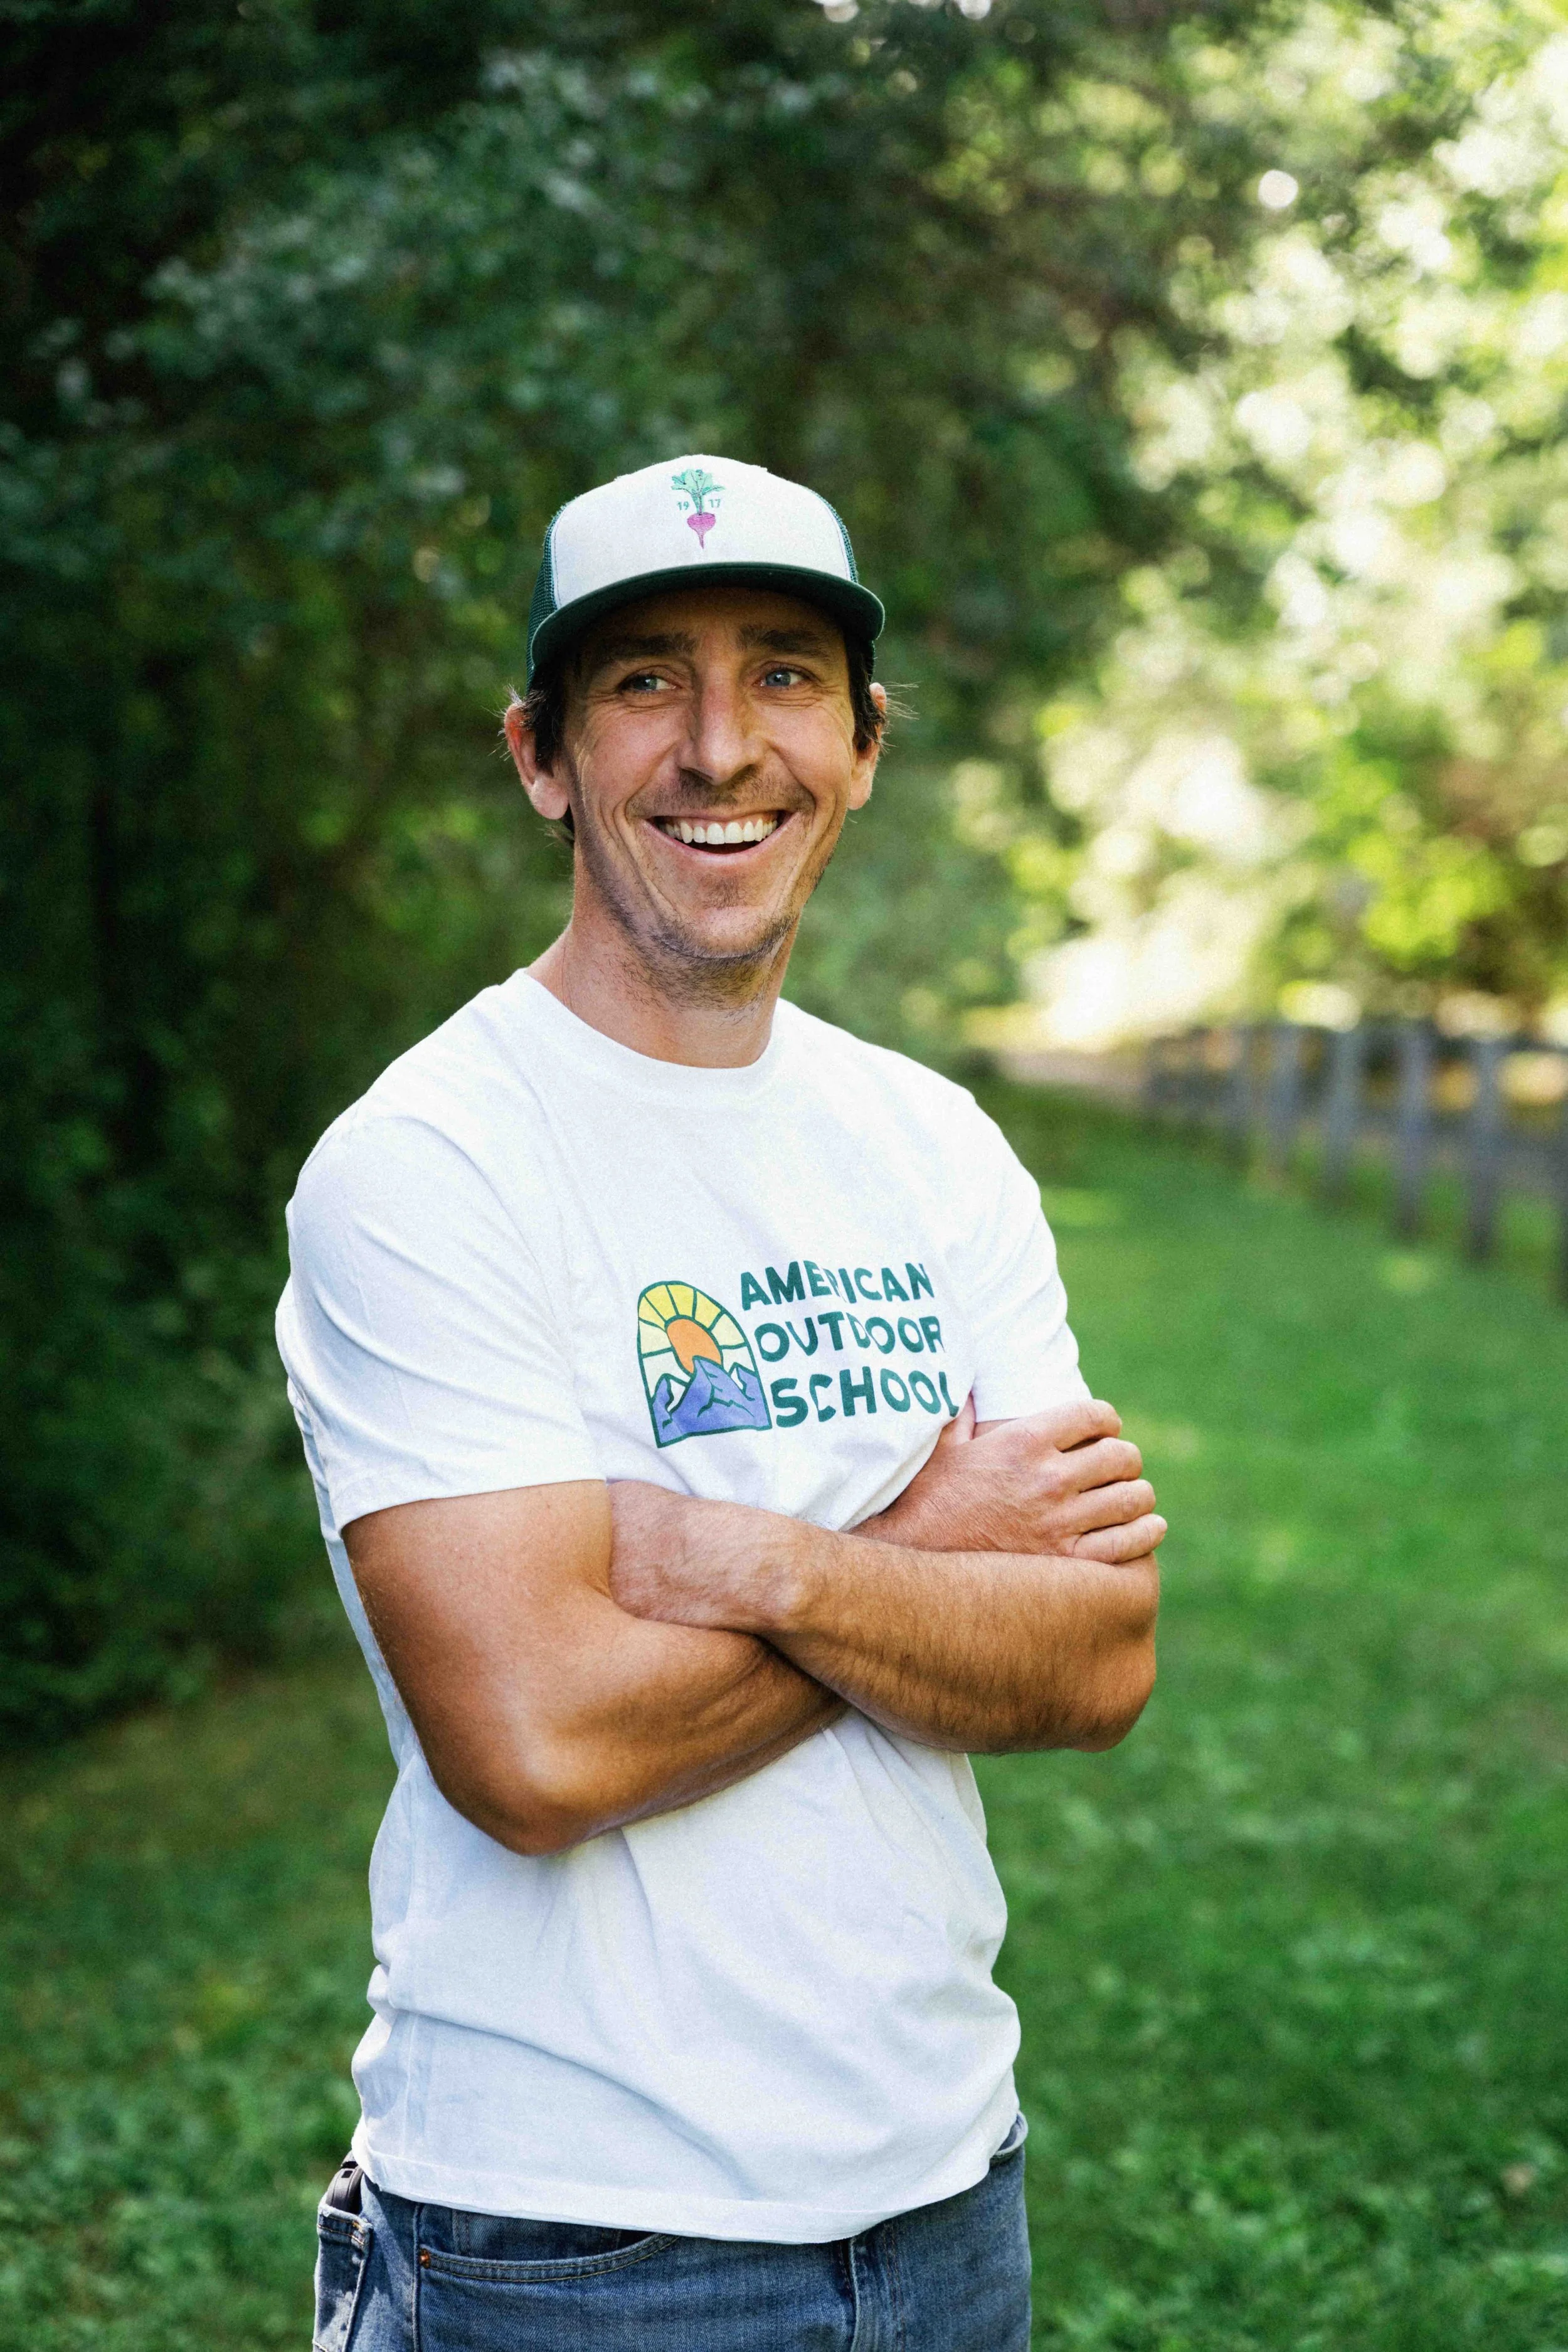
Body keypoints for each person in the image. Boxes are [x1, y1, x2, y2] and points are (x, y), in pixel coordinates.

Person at [277, 453, 1165, 2352]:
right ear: (540, 754)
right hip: (570, 2238)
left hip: (943, 2186)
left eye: (780, 674)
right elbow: (534, 1750)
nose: (715, 746)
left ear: (856, 750)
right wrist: (927, 1559)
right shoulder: (431, 1160)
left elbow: (1092, 1659)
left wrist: (751, 1562)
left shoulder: (931, 1147)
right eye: (639, 682)